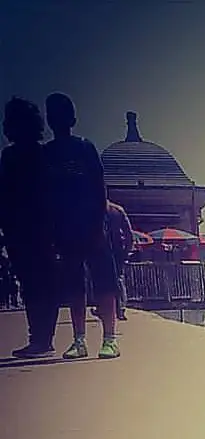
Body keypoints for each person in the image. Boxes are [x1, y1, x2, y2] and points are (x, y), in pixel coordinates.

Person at [41, 92, 119, 359]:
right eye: (52, 114)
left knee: (104, 281)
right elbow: (45, 193)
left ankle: (110, 338)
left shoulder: (85, 147)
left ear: (72, 118)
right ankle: (79, 340)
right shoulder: (47, 154)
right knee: (74, 284)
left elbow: (99, 185)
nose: (57, 119)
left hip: (91, 223)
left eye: (62, 114)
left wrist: (99, 222)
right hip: (64, 226)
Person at [0, 97, 59, 358]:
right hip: (39, 228)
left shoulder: (11, 156)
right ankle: (43, 339)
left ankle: (40, 340)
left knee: (32, 283)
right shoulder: (43, 154)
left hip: (22, 229)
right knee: (42, 283)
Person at [103, 199, 133, 319]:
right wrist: (127, 250)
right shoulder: (118, 210)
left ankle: (105, 307)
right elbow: (128, 233)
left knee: (102, 280)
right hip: (117, 249)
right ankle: (120, 308)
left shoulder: (95, 210)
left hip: (102, 249)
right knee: (118, 279)